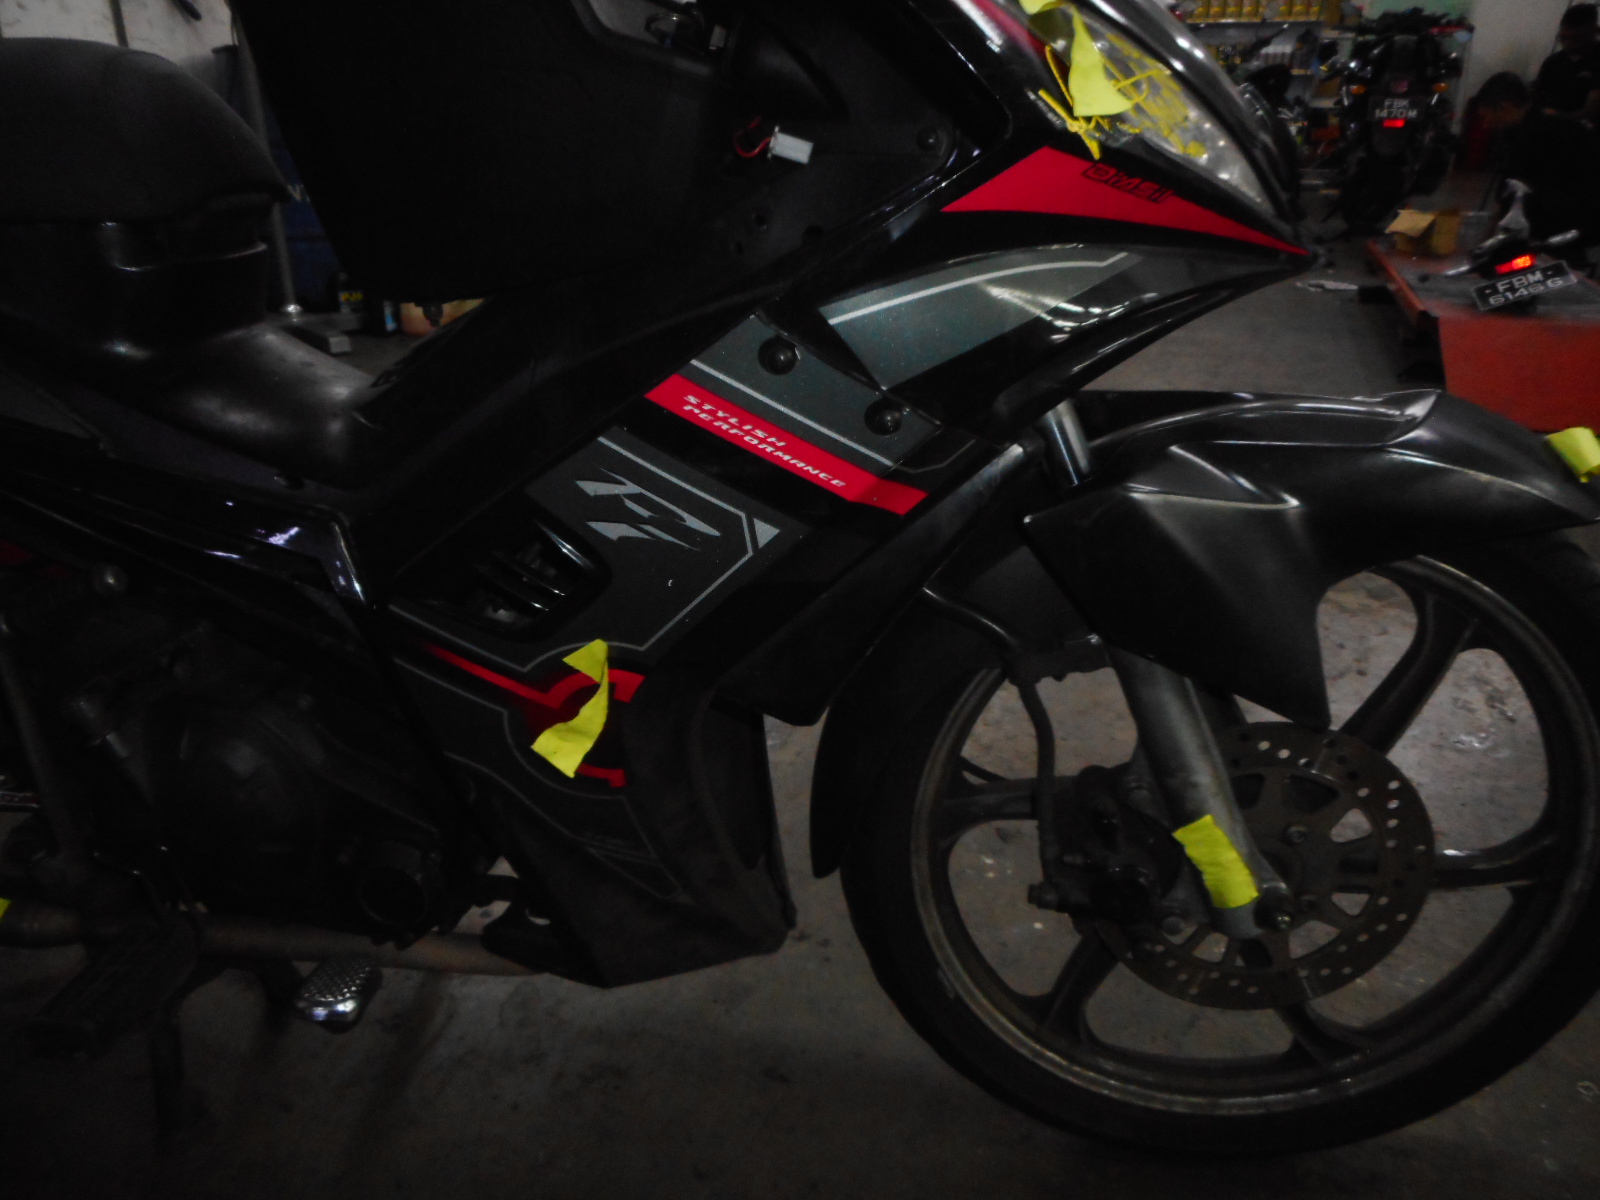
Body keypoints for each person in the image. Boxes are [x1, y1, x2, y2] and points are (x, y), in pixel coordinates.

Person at [1475, 71, 1600, 255]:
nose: (1486, 125)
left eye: (1486, 117)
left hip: (1566, 228)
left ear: (1505, 108)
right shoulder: (1554, 124)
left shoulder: (1533, 137)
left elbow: (1512, 194)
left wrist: (1486, 244)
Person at [1534, 4, 1600, 121]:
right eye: (1563, 38)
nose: (1568, 44)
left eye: (1576, 39)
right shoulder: (1553, 62)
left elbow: (1592, 112)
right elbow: (1538, 93)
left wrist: (1559, 116)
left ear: (1593, 32)